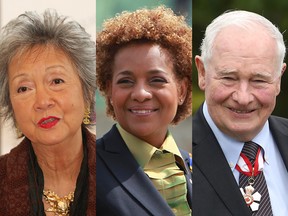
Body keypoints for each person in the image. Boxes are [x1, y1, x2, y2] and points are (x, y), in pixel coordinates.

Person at [96, 6, 192, 216]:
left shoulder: (200, 167)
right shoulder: (85, 169)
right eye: (126, 81)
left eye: (156, 80)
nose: (140, 93)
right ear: (109, 90)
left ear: (182, 90)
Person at [0, 9, 96, 215]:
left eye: (56, 81)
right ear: (11, 106)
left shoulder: (120, 171)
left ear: (87, 93)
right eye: (24, 88)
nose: (42, 102)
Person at [193, 10, 288, 216]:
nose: (243, 98)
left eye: (259, 80)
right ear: (202, 73)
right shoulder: (173, 156)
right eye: (229, 78)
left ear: (279, 79)